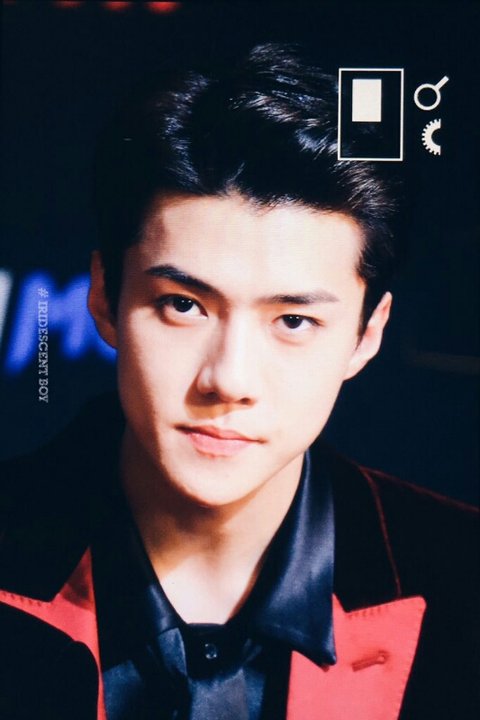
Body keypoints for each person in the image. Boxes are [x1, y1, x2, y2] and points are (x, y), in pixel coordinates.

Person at [0, 43, 477, 720]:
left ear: (367, 334)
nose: (229, 379)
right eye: (183, 305)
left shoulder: (463, 581)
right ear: (104, 297)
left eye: (293, 321)